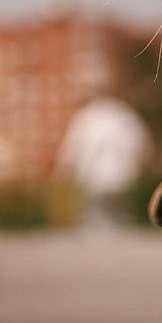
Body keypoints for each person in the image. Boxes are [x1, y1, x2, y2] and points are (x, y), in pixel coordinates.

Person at [55, 95, 151, 227]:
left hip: (94, 181)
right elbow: (142, 146)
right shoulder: (125, 116)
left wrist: (64, 170)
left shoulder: (87, 117)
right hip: (122, 178)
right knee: (119, 218)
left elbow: (72, 148)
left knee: (95, 219)